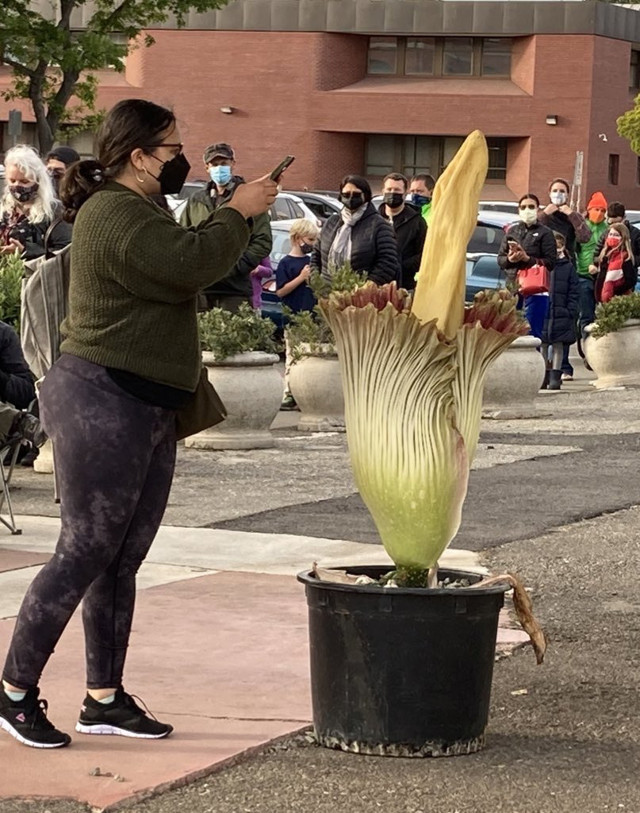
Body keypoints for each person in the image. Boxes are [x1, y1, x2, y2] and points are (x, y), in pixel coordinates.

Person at [0, 98, 277, 749]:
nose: (181, 157)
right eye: (171, 147)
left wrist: (235, 220)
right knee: (84, 548)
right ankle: (13, 691)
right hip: (102, 397)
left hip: (147, 403)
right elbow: (188, 264)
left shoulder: (144, 209)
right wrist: (237, 210)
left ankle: (103, 697)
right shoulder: (113, 213)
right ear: (137, 154)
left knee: (121, 557)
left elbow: (195, 262)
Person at [180, 142, 272, 312]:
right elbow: (183, 237)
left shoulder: (247, 196)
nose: (219, 168)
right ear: (207, 168)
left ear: (233, 164)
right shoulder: (196, 200)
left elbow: (263, 240)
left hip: (235, 290)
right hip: (202, 290)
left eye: (223, 164)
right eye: (214, 164)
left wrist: (236, 266)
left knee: (236, 337)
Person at [310, 175, 400, 285]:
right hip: (327, 293)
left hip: (361, 295)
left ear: (366, 195)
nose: (351, 198)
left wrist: (367, 288)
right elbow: (316, 254)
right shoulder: (331, 222)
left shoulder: (379, 225)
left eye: (356, 194)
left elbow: (388, 262)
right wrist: (315, 280)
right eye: (346, 195)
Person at [497, 193, 556, 340]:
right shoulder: (512, 231)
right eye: (523, 207)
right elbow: (500, 260)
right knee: (509, 330)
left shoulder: (545, 233)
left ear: (537, 209)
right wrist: (511, 259)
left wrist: (528, 259)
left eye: (531, 206)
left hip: (535, 288)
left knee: (532, 332)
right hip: (513, 286)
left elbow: (550, 263)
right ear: (518, 210)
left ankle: (533, 362)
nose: (527, 210)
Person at [276, 219, 319, 411]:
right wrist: (300, 278)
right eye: (309, 239)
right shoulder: (286, 263)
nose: (311, 244)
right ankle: (290, 392)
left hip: (312, 316)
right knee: (293, 355)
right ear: (297, 238)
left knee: (311, 357)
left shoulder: (313, 262)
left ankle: (307, 392)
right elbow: (280, 291)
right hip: (293, 315)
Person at [0, 146, 72, 260]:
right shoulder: (4, 208)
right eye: (12, 181)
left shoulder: (55, 211)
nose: (17, 185)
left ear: (38, 180)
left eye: (24, 181)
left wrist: (26, 251)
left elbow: (65, 253)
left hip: (37, 275)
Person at [541, 233, 579, 391]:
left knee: (558, 345)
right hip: (544, 310)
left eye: (559, 246)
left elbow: (574, 291)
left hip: (561, 311)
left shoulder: (568, 267)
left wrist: (569, 310)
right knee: (542, 344)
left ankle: (555, 376)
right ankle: (543, 375)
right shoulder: (542, 264)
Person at [378, 172, 426, 291]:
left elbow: (425, 254)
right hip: (376, 285)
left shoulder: (417, 222)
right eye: (389, 189)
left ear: (405, 194)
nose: (393, 193)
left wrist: (400, 266)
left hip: (404, 286)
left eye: (397, 190)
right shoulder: (374, 220)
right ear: (383, 191)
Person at [575, 192, 608, 341]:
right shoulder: (582, 227)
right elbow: (574, 250)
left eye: (603, 210)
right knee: (586, 314)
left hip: (602, 277)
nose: (599, 213)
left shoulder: (607, 228)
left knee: (600, 315)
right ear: (589, 210)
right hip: (583, 276)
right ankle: (585, 345)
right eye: (596, 209)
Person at [594, 222, 637, 304]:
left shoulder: (625, 257)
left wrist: (615, 291)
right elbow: (601, 278)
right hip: (602, 301)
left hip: (619, 302)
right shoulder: (605, 256)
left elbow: (631, 280)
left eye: (616, 235)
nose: (612, 237)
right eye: (610, 234)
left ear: (623, 238)